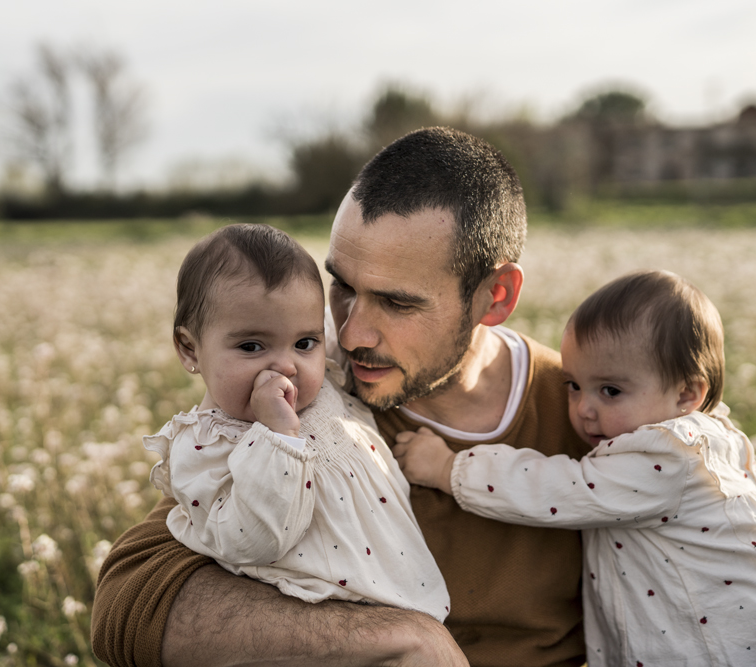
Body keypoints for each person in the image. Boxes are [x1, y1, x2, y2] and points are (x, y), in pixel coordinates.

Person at [91, 127, 592, 667]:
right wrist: (399, 637)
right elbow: (129, 604)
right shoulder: (309, 392)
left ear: (495, 297)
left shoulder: (594, 413)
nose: (351, 335)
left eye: (397, 303)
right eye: (344, 288)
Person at [396, 270, 756, 666]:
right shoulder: (685, 447)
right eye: (573, 385)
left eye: (610, 390)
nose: (583, 409)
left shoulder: (670, 455)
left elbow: (560, 490)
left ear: (688, 395)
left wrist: (450, 467)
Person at [144, 223, 450, 621]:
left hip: (413, 599)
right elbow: (254, 541)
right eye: (251, 346)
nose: (286, 366)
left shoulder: (323, 382)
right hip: (340, 622)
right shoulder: (203, 447)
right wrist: (277, 437)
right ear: (190, 349)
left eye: (305, 343)